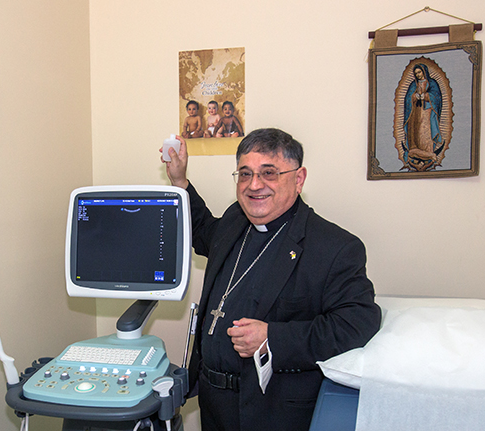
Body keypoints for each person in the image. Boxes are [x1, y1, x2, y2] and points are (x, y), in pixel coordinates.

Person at [162, 128, 381, 431]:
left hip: (272, 412)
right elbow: (201, 231)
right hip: (213, 404)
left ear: (299, 178)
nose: (254, 185)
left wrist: (272, 338)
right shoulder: (235, 220)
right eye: (245, 174)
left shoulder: (335, 247)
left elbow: (357, 324)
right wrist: (180, 182)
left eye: (269, 173)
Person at [402, 63, 443, 171]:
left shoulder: (432, 83)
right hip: (415, 112)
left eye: (419, 72)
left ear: (424, 71)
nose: (418, 75)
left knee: (424, 132)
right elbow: (407, 99)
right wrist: (414, 96)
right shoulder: (413, 84)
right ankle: (415, 151)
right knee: (415, 132)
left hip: (427, 112)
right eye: (416, 73)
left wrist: (426, 96)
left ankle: (428, 153)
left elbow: (437, 97)